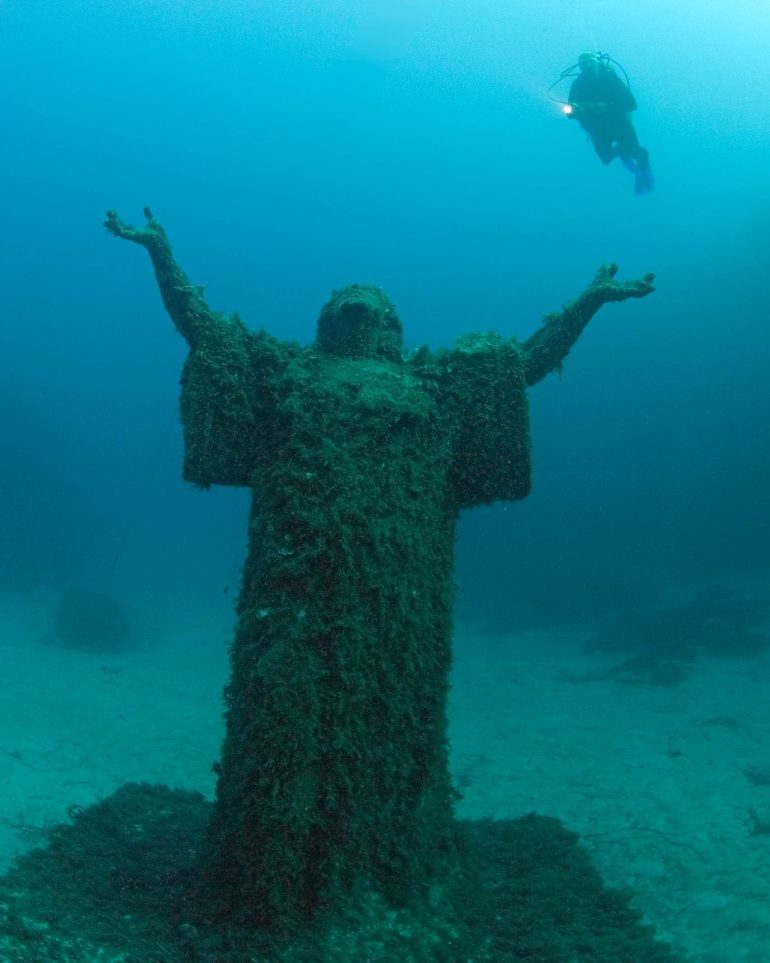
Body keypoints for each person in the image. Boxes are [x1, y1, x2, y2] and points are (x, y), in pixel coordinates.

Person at [104, 207, 654, 946]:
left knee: (396, 729)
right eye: (346, 304)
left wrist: (587, 303)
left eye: (372, 307)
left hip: (404, 605)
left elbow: (520, 366)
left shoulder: (441, 386)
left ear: (393, 328)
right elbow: (205, 330)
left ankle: (385, 872)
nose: (360, 309)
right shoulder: (286, 374)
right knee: (284, 729)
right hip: (295, 596)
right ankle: (278, 885)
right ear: (330, 325)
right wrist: (162, 257)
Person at [566, 51, 654, 194]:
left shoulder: (610, 79)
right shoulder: (578, 85)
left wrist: (605, 107)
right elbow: (571, 112)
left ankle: (643, 166)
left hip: (619, 123)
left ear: (597, 63)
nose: (588, 66)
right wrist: (575, 111)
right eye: (583, 64)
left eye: (591, 62)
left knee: (638, 154)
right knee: (606, 159)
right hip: (596, 127)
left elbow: (631, 103)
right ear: (580, 67)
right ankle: (620, 151)